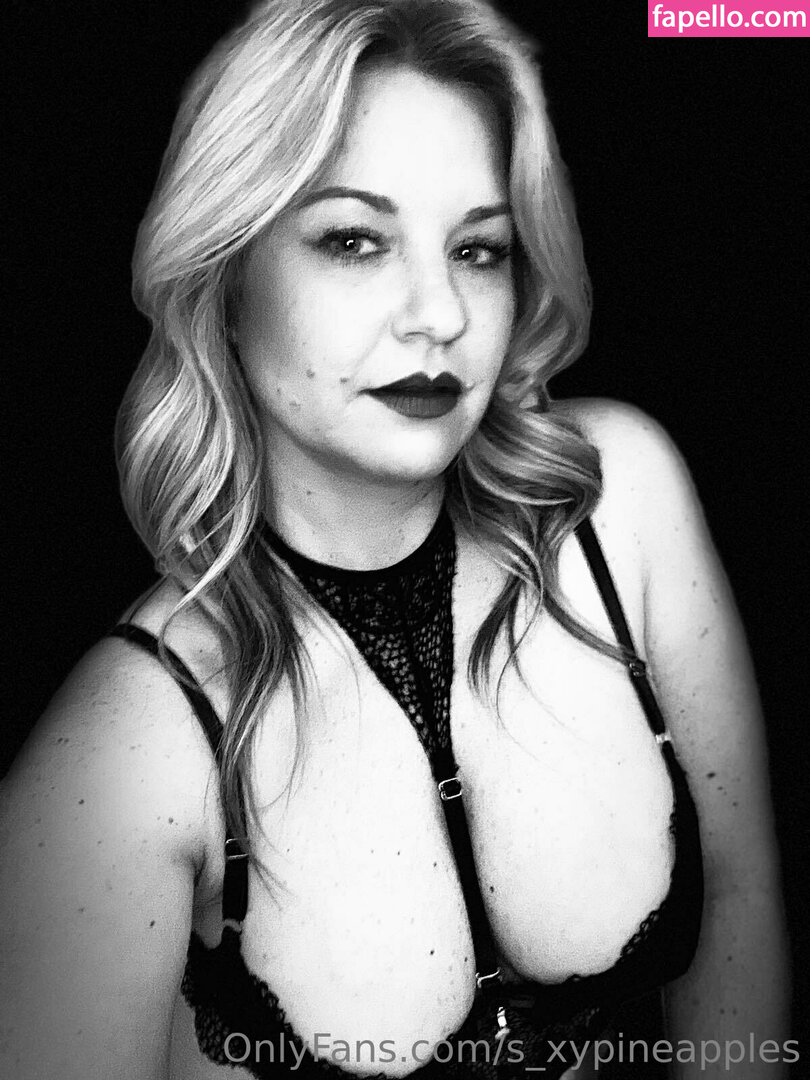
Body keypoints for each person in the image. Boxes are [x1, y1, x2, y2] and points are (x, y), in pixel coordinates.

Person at [0, 0, 789, 1077]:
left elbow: (740, 903)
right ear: (227, 276)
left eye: (478, 249)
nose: (440, 314)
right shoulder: (124, 759)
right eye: (354, 241)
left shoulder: (617, 501)